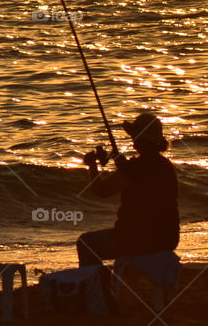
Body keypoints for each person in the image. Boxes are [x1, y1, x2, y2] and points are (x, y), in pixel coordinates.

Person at [77, 112, 179, 266]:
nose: (133, 139)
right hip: (167, 239)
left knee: (86, 243)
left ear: (141, 139)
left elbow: (101, 191)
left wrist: (92, 165)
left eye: (135, 135)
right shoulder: (166, 166)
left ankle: (97, 281)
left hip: (137, 239)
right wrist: (124, 165)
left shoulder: (135, 167)